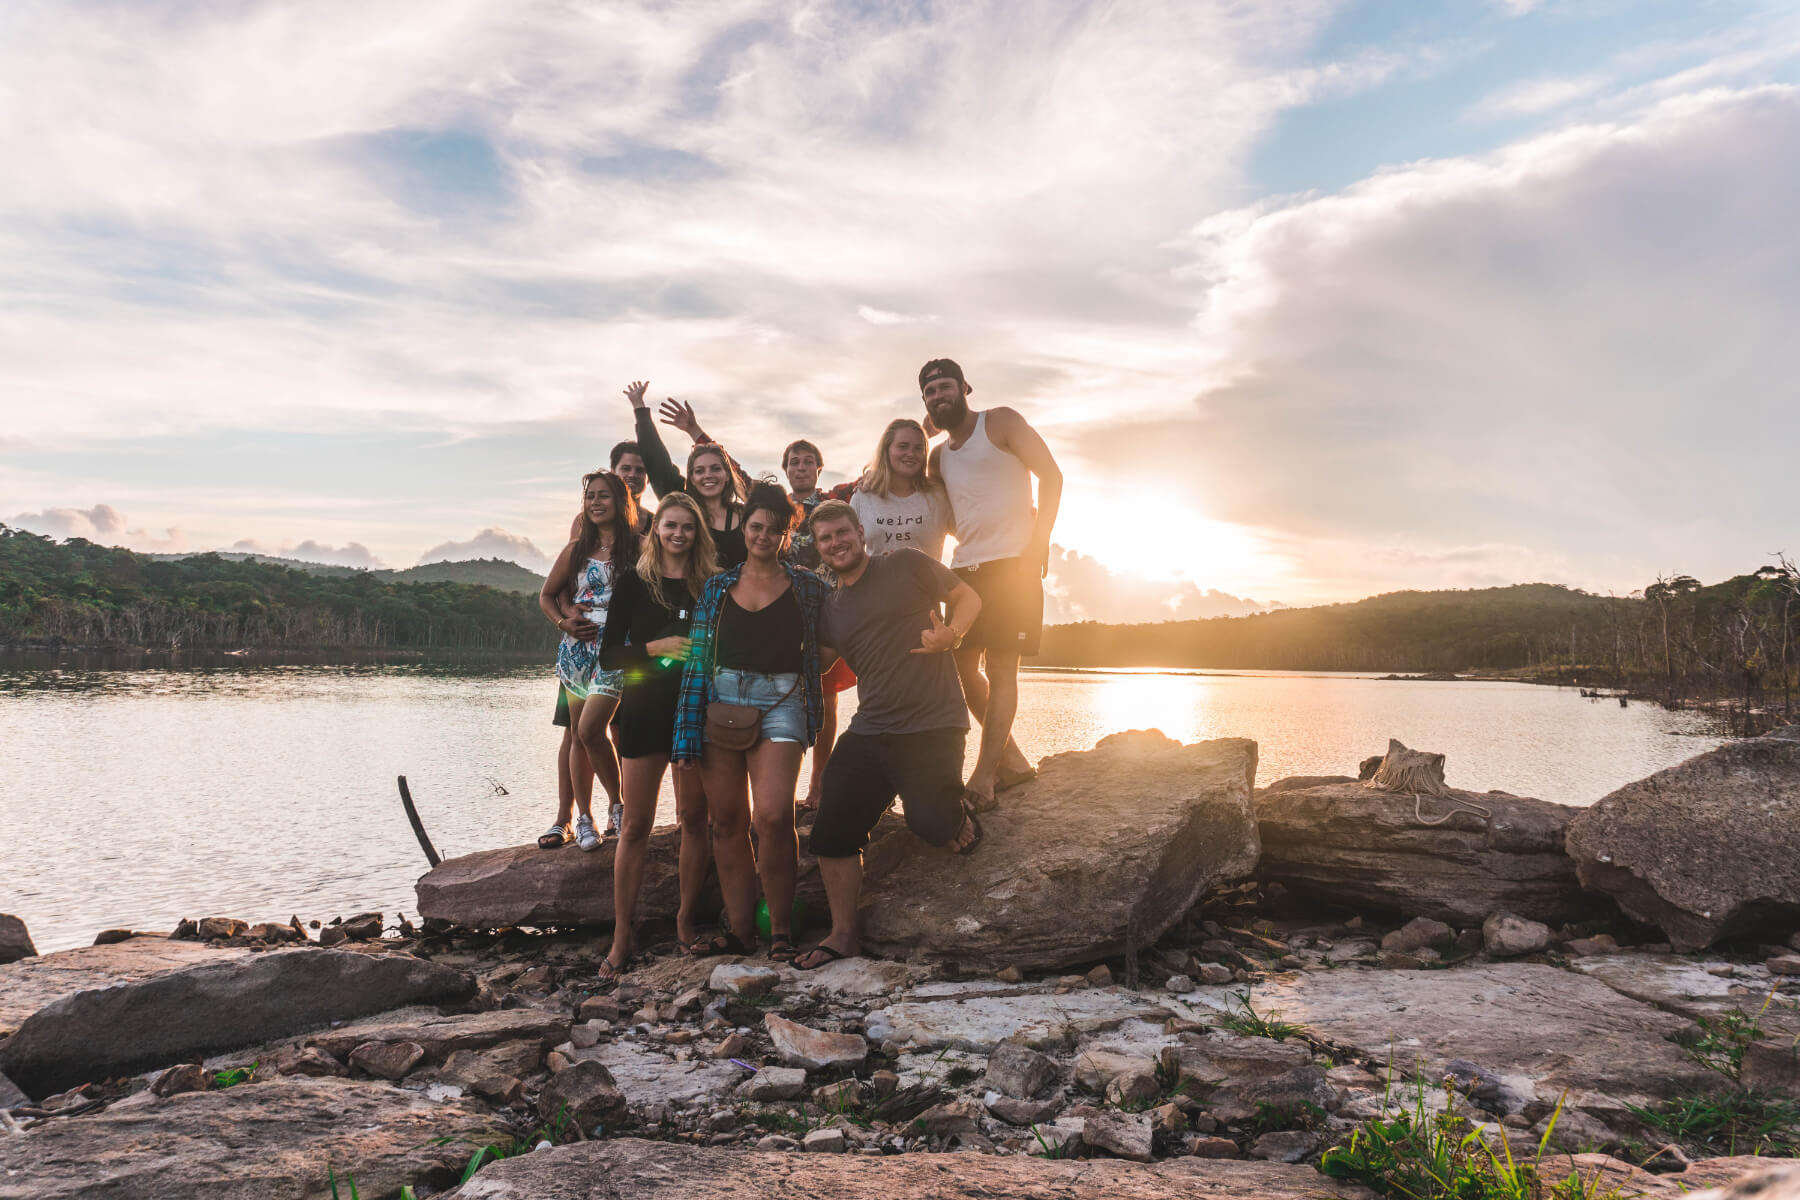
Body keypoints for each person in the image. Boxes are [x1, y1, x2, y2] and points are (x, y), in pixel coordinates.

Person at [795, 500, 984, 969]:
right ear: (819, 548)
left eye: (842, 532)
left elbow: (969, 597)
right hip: (871, 729)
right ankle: (844, 936)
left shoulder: (905, 563)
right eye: (826, 538)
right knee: (831, 832)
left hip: (933, 724)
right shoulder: (831, 609)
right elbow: (814, 664)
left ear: (861, 533)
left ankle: (953, 810)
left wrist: (954, 635)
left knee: (932, 825)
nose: (836, 543)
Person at [671, 480, 831, 961]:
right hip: (720, 700)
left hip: (783, 701)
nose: (763, 536)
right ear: (744, 528)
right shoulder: (717, 587)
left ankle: (780, 931)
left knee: (774, 816)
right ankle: (741, 933)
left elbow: (838, 636)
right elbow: (698, 660)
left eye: (774, 529)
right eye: (756, 526)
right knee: (726, 821)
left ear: (786, 535)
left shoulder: (808, 586)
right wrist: (686, 728)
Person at [922, 357, 1062, 810]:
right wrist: (922, 434)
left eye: (945, 387)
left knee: (1002, 669)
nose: (938, 396)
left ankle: (984, 776)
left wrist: (1039, 542)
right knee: (960, 669)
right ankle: (1014, 760)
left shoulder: (1000, 422)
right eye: (929, 392)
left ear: (965, 388)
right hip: (965, 570)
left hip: (1014, 564)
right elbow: (929, 503)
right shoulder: (938, 457)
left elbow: (1052, 475)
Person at [597, 493, 719, 978]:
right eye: (670, 525)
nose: (678, 534)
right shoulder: (634, 582)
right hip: (644, 710)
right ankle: (622, 933)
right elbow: (609, 655)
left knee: (694, 818)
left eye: (688, 526)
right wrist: (655, 647)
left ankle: (685, 920)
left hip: (694, 711)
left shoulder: (710, 584)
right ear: (657, 530)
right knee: (635, 825)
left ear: (697, 533)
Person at [539, 470, 639, 852]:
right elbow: (547, 595)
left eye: (604, 496)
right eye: (590, 496)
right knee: (579, 736)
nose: (596, 502)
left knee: (591, 729)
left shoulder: (639, 549)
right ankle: (583, 818)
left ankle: (617, 804)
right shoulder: (576, 550)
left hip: (615, 651)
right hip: (577, 651)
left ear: (620, 502)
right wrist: (563, 621)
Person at [624, 382, 749, 567]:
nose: (708, 475)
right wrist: (639, 408)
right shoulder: (682, 505)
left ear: (728, 474)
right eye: (699, 471)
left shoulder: (746, 515)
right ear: (691, 478)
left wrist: (694, 430)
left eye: (716, 469)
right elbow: (656, 460)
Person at [850, 418, 956, 562]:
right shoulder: (863, 496)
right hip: (877, 577)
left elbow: (970, 535)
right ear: (887, 450)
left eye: (918, 448)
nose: (911, 453)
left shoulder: (938, 496)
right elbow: (850, 552)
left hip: (928, 577)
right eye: (903, 446)